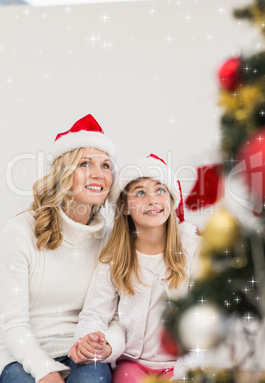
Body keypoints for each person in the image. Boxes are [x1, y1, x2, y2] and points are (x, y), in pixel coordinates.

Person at [0, 114, 125, 383]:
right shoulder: (20, 231)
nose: (98, 174)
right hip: (22, 355)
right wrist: (45, 371)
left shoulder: (111, 239)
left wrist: (106, 346)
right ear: (63, 174)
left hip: (80, 354)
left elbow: (117, 318)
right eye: (85, 164)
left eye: (105, 165)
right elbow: (12, 324)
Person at [68, 153, 203, 382]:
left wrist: (186, 371)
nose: (152, 199)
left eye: (160, 190)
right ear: (124, 207)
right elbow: (95, 312)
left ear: (171, 200)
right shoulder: (115, 257)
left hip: (186, 364)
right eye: (140, 193)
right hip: (133, 364)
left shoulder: (194, 250)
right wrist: (91, 340)